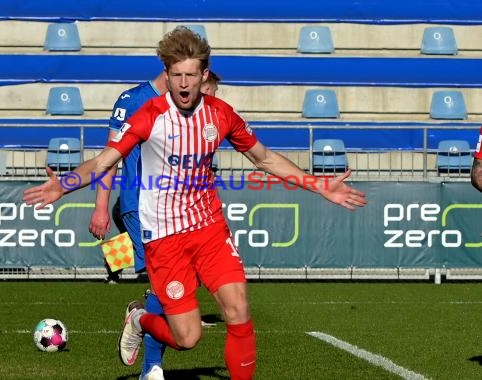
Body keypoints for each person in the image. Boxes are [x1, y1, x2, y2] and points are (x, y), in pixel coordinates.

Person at [23, 26, 367, 380]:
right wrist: (62, 186)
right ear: (167, 76)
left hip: (208, 229)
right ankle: (139, 318)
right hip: (165, 238)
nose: (184, 83)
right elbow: (104, 160)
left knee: (238, 308)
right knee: (187, 338)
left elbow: (264, 158)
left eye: (191, 75)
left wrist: (317, 184)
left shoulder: (220, 114)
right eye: (177, 75)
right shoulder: (149, 115)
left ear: (204, 76)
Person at [88, 69, 221, 379]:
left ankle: (129, 289)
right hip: (141, 205)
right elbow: (110, 156)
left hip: (176, 213)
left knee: (177, 281)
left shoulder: (188, 112)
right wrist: (100, 207)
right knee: (167, 284)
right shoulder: (134, 100)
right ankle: (151, 364)